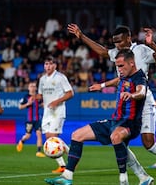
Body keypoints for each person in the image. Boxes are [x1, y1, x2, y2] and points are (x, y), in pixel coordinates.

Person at [68, 23, 156, 185]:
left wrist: (152, 44)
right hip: (126, 102)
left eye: (120, 41)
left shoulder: (142, 50)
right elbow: (102, 51)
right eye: (114, 42)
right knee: (118, 140)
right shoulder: (117, 53)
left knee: (148, 143)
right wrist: (81, 36)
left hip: (143, 100)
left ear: (128, 38)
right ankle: (143, 177)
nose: (117, 45)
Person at [44, 50, 148, 185]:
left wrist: (132, 95)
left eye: (121, 66)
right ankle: (67, 177)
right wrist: (102, 85)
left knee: (116, 137)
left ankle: (123, 179)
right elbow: (118, 80)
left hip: (130, 123)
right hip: (115, 120)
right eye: (117, 66)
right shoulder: (124, 75)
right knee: (77, 135)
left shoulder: (139, 77)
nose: (119, 69)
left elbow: (141, 91)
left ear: (132, 63)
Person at [36, 56, 74, 174]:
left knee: (53, 138)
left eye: (50, 64)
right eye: (46, 64)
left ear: (55, 66)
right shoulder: (42, 79)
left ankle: (70, 162)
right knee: (50, 139)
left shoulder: (60, 78)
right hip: (47, 112)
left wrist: (56, 102)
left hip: (58, 111)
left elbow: (70, 93)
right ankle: (67, 162)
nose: (48, 66)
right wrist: (35, 97)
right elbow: (41, 95)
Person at [16, 81, 45, 157]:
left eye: (34, 86)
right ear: (28, 88)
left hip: (38, 119)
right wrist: (27, 104)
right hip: (29, 120)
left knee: (39, 134)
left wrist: (43, 105)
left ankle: (38, 151)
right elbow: (19, 107)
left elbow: (42, 104)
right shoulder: (26, 97)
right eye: (31, 86)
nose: (33, 87)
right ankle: (21, 141)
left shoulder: (38, 97)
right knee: (28, 136)